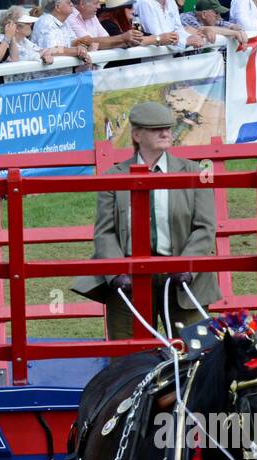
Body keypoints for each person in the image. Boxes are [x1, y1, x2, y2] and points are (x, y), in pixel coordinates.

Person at [72, 100, 221, 341]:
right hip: (130, 278)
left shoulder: (194, 172)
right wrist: (118, 272)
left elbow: (205, 227)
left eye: (168, 128)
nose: (165, 133)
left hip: (181, 278)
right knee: (127, 358)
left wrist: (187, 265)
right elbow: (105, 232)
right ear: (137, 134)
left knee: (197, 355)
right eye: (156, 129)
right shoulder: (113, 177)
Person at [68, 0, 143, 49]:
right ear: (82, 4)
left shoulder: (92, 16)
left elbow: (106, 40)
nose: (99, 7)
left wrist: (126, 43)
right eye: (96, 3)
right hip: (79, 70)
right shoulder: (69, 16)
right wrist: (123, 38)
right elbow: (87, 42)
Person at [135, 0, 207, 47]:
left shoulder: (171, 2)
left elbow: (178, 29)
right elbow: (160, 37)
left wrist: (194, 37)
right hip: (150, 60)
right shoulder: (144, 3)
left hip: (170, 58)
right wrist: (186, 41)